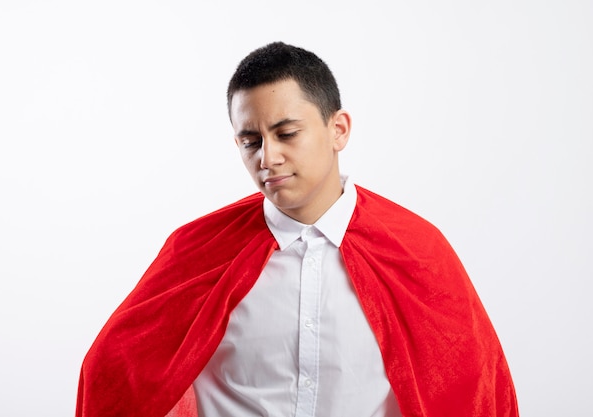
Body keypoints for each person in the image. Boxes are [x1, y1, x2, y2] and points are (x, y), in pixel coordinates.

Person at [76, 42, 519, 417]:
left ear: (338, 130)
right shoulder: (196, 248)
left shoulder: (417, 247)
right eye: (250, 141)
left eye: (286, 133)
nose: (267, 158)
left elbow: (476, 388)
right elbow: (113, 373)